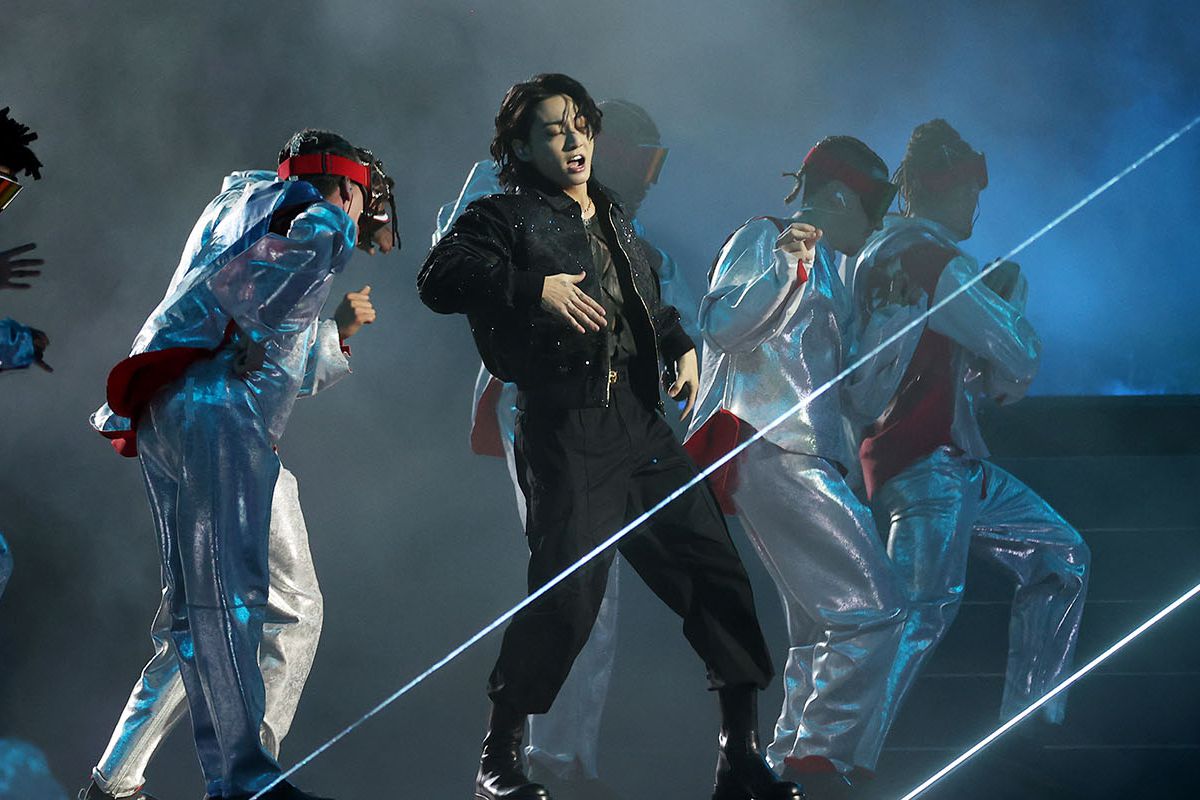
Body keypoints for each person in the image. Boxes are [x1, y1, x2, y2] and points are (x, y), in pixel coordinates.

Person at [419, 73, 800, 800]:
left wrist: (677, 343)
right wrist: (534, 288)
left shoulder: (614, 216)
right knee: (568, 592)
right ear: (521, 148)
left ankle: (740, 754)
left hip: (639, 425)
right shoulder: (505, 214)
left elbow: (642, 299)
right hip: (566, 425)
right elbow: (439, 276)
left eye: (580, 126)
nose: (573, 141)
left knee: (715, 571)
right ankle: (500, 758)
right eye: (553, 130)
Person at [89, 129, 396, 800]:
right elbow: (255, 319)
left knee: (205, 614)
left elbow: (255, 338)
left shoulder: (241, 204)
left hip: (177, 407)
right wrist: (333, 237)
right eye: (361, 198)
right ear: (346, 186)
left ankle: (117, 781)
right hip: (219, 413)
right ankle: (247, 779)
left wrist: (329, 332)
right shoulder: (313, 217)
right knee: (250, 604)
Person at [432, 98, 695, 798]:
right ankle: (535, 762)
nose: (649, 181)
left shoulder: (629, 235)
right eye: (643, 162)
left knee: (593, 584)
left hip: (605, 414)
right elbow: (454, 252)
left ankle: (554, 761)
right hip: (544, 399)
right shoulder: (514, 197)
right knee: (580, 578)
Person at [686, 136, 923, 793]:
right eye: (874, 204)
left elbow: (859, 401)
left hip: (807, 452)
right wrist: (786, 267)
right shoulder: (765, 236)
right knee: (877, 609)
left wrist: (898, 319)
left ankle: (786, 762)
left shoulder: (835, 276)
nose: (878, 223)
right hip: (771, 444)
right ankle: (816, 760)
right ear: (841, 196)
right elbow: (722, 326)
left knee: (823, 624)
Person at [852, 118, 1090, 739]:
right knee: (916, 614)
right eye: (967, 189)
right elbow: (1016, 360)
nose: (975, 203)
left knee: (1059, 554)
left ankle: (1030, 722)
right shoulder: (929, 258)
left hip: (941, 459)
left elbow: (987, 380)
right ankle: (837, 753)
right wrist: (1008, 301)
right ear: (941, 187)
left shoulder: (887, 251)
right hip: (924, 460)